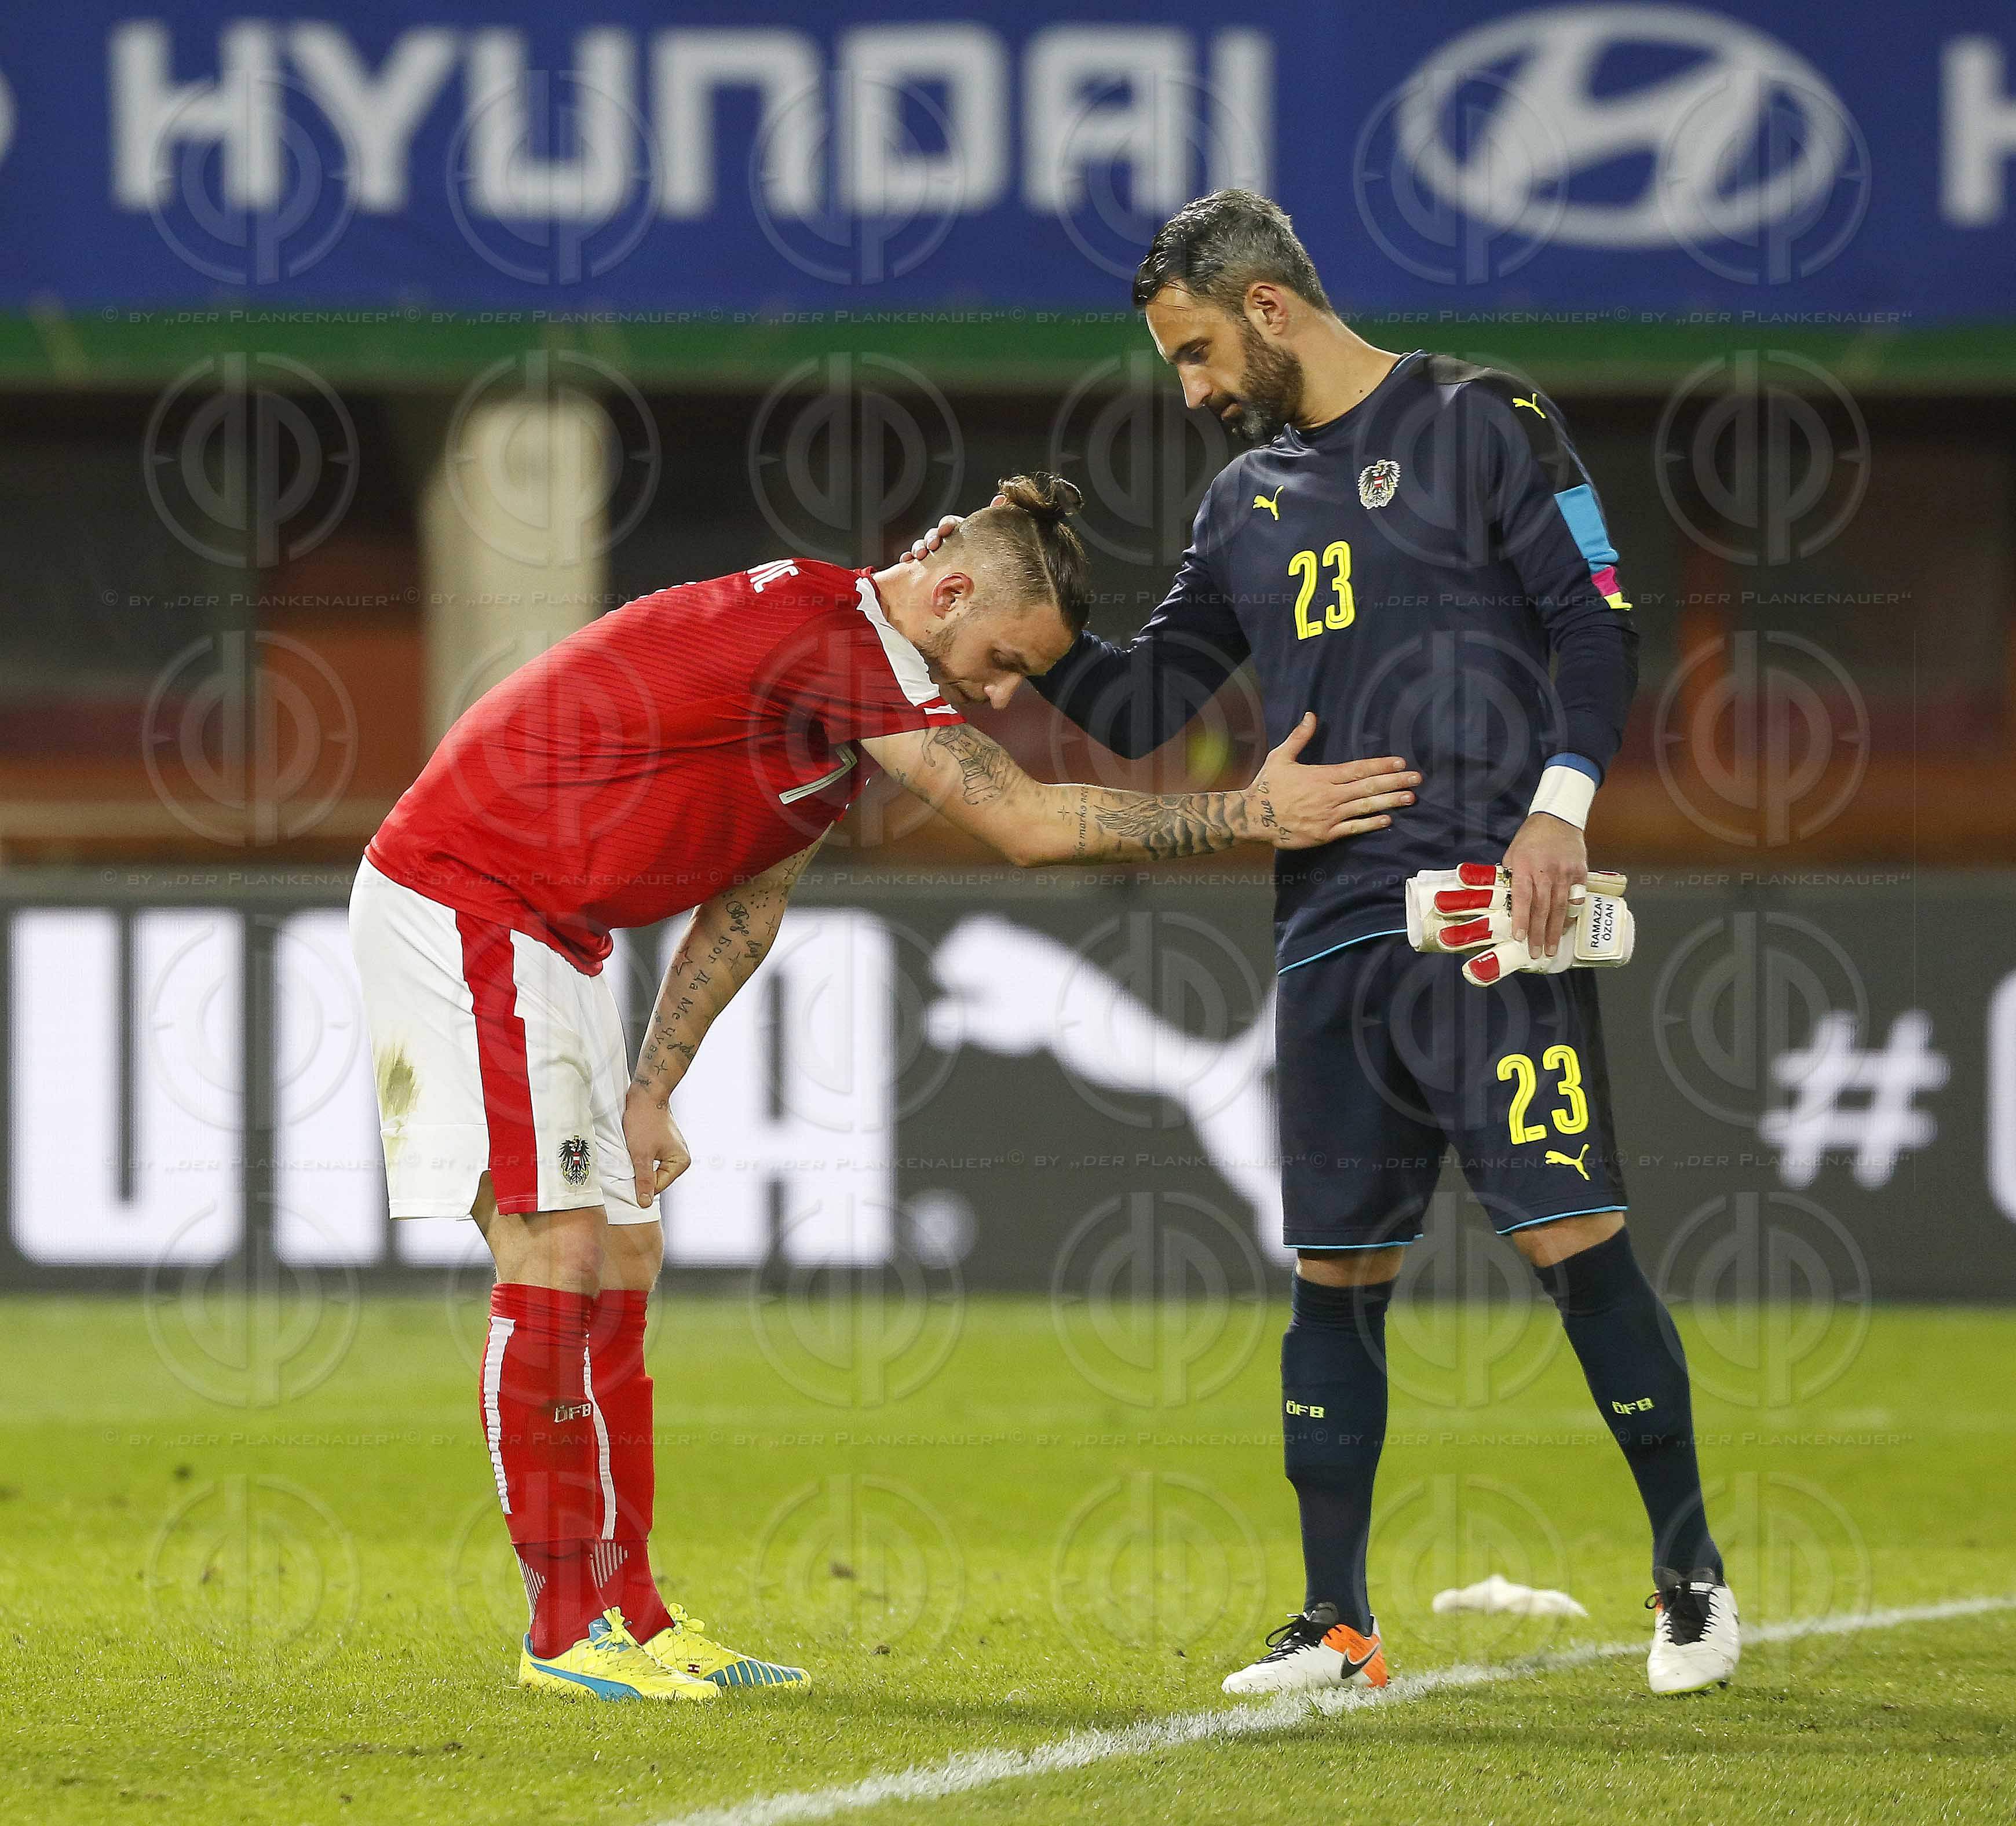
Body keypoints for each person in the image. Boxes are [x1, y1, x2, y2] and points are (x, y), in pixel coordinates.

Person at [350, 472, 1418, 1703]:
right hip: (466, 898)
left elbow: (748, 902)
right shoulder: (833, 639)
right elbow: (1021, 822)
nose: (1004, 694)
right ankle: (560, 1631)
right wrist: (1252, 812)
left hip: (561, 932)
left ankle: (632, 1615)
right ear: (950, 588)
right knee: (555, 1249)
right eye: (1004, 661)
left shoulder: (840, 690)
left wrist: (653, 1086)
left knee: (625, 1251)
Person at [912, 197, 1737, 1699]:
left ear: (1273, 308)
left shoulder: (1489, 421)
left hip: (1491, 918)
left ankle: (1691, 1580)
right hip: (1327, 936)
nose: (1193, 390)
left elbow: (1597, 623)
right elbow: (1152, 703)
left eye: (1199, 353)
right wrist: (1018, 638)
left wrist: (1559, 813)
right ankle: (1338, 1625)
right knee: (1334, 1272)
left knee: (1569, 1238)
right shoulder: (1244, 506)